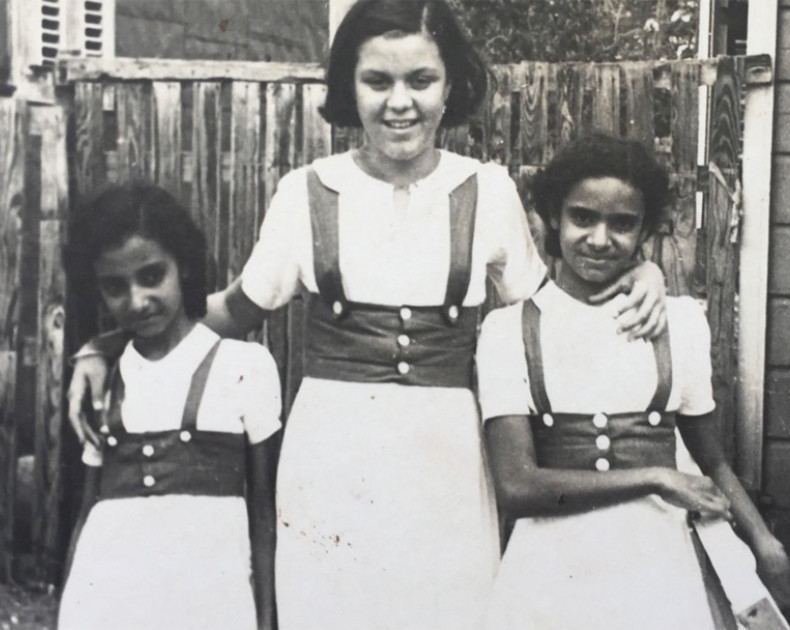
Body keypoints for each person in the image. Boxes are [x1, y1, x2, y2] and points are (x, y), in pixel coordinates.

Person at [66, 3, 668, 628]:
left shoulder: (486, 191)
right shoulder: (306, 192)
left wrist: (642, 273)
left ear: (451, 85)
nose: (399, 102)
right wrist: (103, 347)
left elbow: (552, 314)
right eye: (377, 81)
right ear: (348, 88)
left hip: (446, 460)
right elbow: (226, 313)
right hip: (333, 456)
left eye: (420, 80)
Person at [477, 133, 790, 630]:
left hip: (657, 564)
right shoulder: (510, 329)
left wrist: (765, 546)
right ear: (554, 216)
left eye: (622, 224)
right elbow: (517, 485)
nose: (600, 239)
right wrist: (657, 476)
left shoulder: (679, 322)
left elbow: (712, 460)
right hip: (552, 571)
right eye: (583, 217)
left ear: (644, 229)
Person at [58, 183, 281, 630]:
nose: (137, 301)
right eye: (114, 287)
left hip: (209, 603)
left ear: (184, 265)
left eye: (151, 276)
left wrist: (266, 618)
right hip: (107, 601)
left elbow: (264, 513)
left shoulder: (244, 366)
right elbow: (86, 512)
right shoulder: (104, 377)